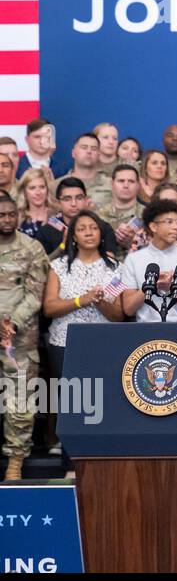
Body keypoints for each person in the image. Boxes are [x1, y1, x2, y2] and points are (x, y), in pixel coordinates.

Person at [43, 210, 122, 453]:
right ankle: (69, 458)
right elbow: (49, 307)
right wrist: (81, 300)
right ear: (73, 236)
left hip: (103, 343)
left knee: (103, 399)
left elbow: (119, 315)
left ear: (101, 233)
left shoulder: (115, 268)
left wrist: (99, 302)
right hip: (64, 341)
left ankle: (102, 453)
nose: (89, 232)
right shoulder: (59, 267)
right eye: (82, 228)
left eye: (94, 227)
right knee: (72, 402)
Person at [0, 193, 52, 480]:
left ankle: (15, 462)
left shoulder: (32, 248)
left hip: (18, 341)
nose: (7, 220)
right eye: (1, 215)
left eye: (11, 214)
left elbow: (35, 295)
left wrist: (12, 324)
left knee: (19, 403)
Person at [119, 199, 177, 324]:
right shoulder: (133, 259)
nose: (176, 227)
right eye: (169, 222)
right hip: (144, 332)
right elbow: (128, 309)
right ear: (153, 226)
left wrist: (171, 288)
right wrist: (151, 286)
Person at [16, 167, 55, 239]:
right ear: (24, 192)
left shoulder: (57, 215)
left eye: (42, 187)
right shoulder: (18, 218)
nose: (38, 192)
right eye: (32, 188)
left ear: (47, 189)